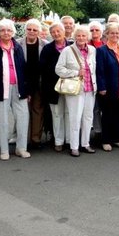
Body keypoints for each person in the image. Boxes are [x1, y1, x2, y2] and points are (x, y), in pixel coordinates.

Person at [0, 19, 31, 161]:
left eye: (9, 30)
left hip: (19, 88)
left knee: (22, 119)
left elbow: (24, 70)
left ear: (13, 32)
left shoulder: (18, 47)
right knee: (2, 120)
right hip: (0, 89)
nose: (6, 33)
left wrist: (26, 91)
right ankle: (4, 150)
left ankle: (21, 148)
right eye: (2, 30)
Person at [55, 26, 96, 157]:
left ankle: (86, 143)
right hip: (75, 89)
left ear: (87, 37)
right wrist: (75, 73)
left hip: (90, 88)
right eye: (78, 35)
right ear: (74, 36)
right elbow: (59, 69)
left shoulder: (92, 50)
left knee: (88, 117)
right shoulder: (68, 50)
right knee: (75, 118)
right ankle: (74, 146)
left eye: (84, 35)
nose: (81, 38)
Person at [96, 22, 119, 151]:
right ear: (106, 34)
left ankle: (117, 139)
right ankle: (106, 140)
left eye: (117, 33)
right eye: (112, 33)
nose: (115, 35)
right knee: (107, 114)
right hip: (108, 88)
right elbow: (99, 71)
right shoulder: (101, 50)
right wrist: (101, 87)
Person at [40, 22, 72, 152]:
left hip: (71, 86)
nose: (56, 34)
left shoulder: (72, 46)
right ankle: (58, 141)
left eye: (58, 31)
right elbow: (42, 68)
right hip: (53, 87)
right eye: (53, 32)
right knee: (57, 114)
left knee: (69, 113)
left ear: (64, 32)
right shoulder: (47, 49)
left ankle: (70, 140)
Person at [17, 18, 47, 148]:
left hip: (39, 83)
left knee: (37, 111)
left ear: (39, 32)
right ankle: (23, 139)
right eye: (29, 29)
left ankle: (35, 139)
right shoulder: (17, 45)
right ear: (25, 30)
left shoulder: (45, 45)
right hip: (23, 83)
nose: (32, 32)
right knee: (23, 112)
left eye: (35, 30)